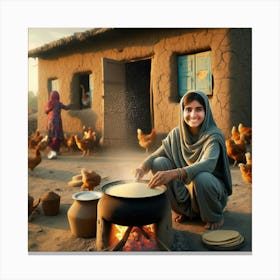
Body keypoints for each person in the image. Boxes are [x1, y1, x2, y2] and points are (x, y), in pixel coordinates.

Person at [134, 90, 232, 230]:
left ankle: (213, 215)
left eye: (198, 109)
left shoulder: (213, 136)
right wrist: (142, 168)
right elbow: (157, 154)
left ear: (206, 111)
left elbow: (208, 164)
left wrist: (175, 173)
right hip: (187, 192)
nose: (193, 115)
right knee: (158, 163)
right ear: (182, 111)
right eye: (188, 109)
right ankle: (186, 211)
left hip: (210, 192)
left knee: (201, 177)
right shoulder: (177, 134)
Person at [45, 90, 72, 157]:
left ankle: (56, 151)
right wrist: (72, 104)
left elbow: (46, 112)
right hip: (56, 121)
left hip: (49, 122)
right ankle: (51, 148)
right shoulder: (58, 103)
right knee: (57, 136)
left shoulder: (49, 103)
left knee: (51, 136)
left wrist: (50, 109)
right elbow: (66, 108)